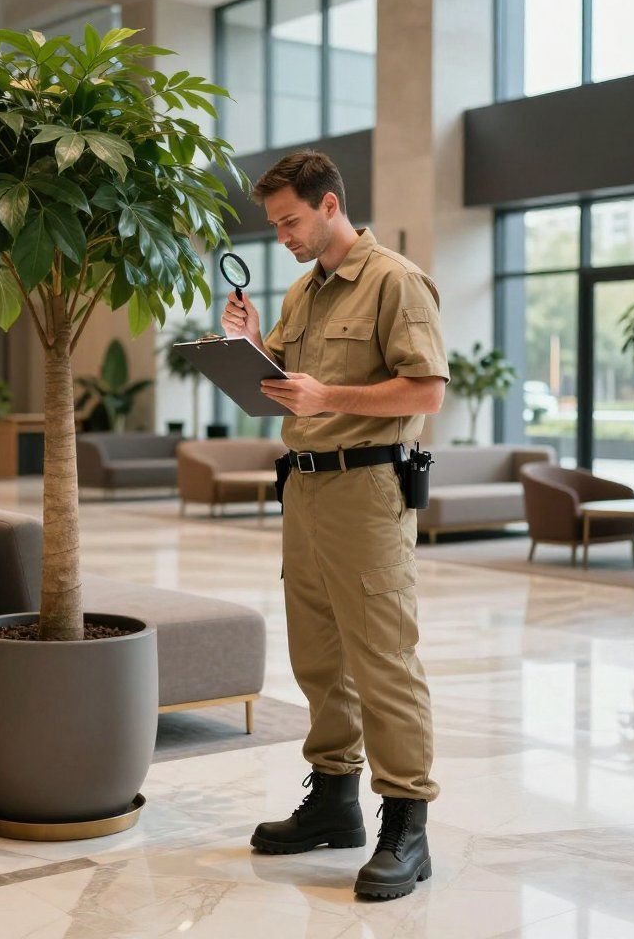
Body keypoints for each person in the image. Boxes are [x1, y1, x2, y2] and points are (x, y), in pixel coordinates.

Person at [220, 150, 449, 901]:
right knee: (317, 656)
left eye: (289, 220)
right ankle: (334, 800)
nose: (281, 234)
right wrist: (246, 342)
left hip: (367, 492)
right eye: (275, 223)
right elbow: (285, 389)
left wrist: (330, 399)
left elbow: (426, 389)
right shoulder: (301, 292)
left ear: (328, 206)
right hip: (306, 492)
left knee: (382, 658)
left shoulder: (396, 281)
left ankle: (407, 824)